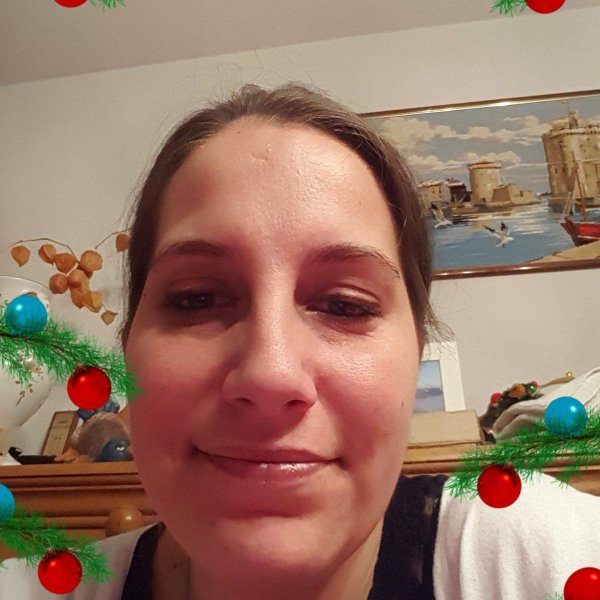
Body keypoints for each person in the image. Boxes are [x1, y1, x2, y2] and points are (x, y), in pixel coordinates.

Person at [1, 83, 599, 599]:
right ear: (128, 345)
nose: (271, 373)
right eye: (197, 298)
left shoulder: (541, 556)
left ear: (416, 352)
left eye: (345, 305)